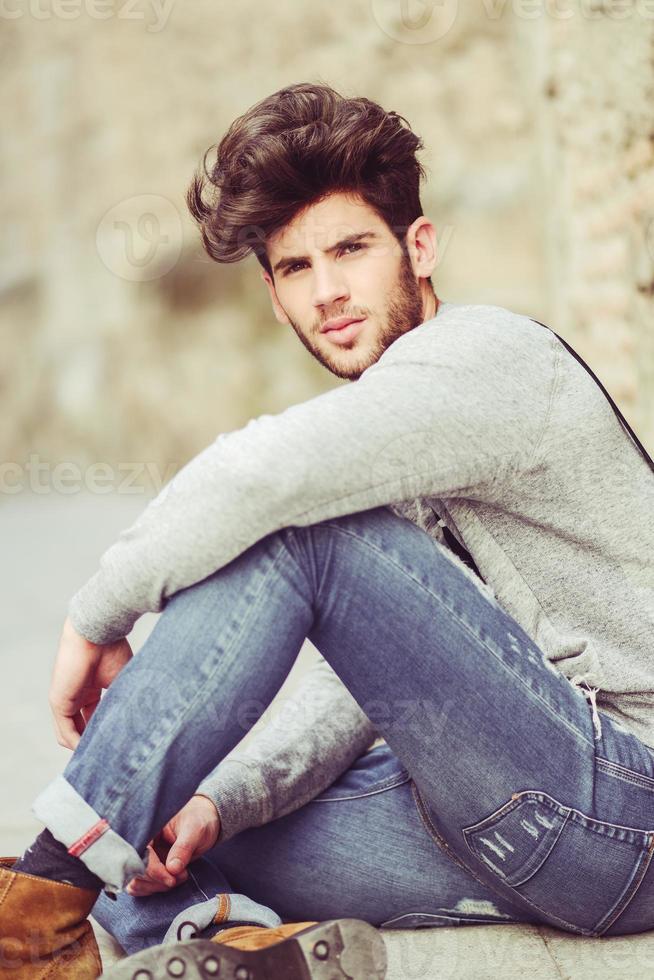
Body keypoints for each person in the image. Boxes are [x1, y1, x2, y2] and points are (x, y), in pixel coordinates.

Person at [3, 80, 654, 980]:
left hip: (623, 807)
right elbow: (367, 679)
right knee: (156, 831)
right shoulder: (394, 430)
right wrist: (221, 803)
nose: (330, 292)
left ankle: (33, 904)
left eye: (352, 249)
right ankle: (231, 941)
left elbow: (262, 476)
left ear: (417, 248)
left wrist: (94, 615)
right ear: (273, 296)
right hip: (511, 821)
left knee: (302, 532)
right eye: (297, 268)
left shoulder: (489, 360)